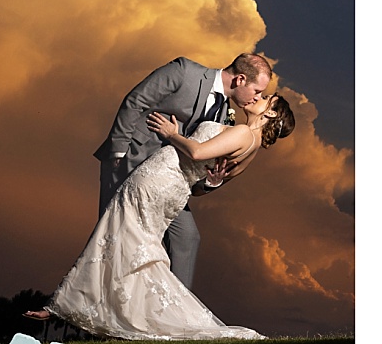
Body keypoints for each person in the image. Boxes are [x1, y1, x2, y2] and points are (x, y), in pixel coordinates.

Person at [25, 92, 296, 339]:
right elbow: (205, 187)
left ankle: (69, 305)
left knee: (113, 237)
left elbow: (197, 151)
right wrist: (211, 181)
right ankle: (122, 313)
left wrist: (171, 133)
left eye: (265, 99)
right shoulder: (252, 148)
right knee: (134, 249)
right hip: (173, 191)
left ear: (271, 113)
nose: (257, 97)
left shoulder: (243, 133)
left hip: (158, 181)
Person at [93, 53, 272, 289]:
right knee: (112, 235)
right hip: (130, 161)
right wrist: (118, 151)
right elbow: (136, 101)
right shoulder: (185, 71)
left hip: (168, 181)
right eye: (257, 91)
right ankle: (94, 303)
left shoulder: (225, 116)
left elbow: (199, 159)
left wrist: (211, 183)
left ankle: (174, 312)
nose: (256, 97)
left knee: (187, 237)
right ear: (240, 79)